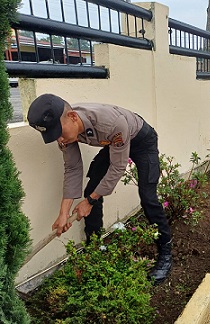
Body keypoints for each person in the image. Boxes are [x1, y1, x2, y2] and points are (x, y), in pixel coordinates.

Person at [27, 94, 172, 283]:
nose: (59, 139)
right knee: (92, 188)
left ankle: (166, 255)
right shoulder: (63, 131)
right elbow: (72, 168)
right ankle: (94, 247)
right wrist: (64, 212)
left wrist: (90, 202)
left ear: (72, 117)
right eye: (53, 134)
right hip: (116, 143)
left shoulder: (112, 124)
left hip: (141, 141)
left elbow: (118, 167)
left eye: (59, 132)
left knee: (148, 197)